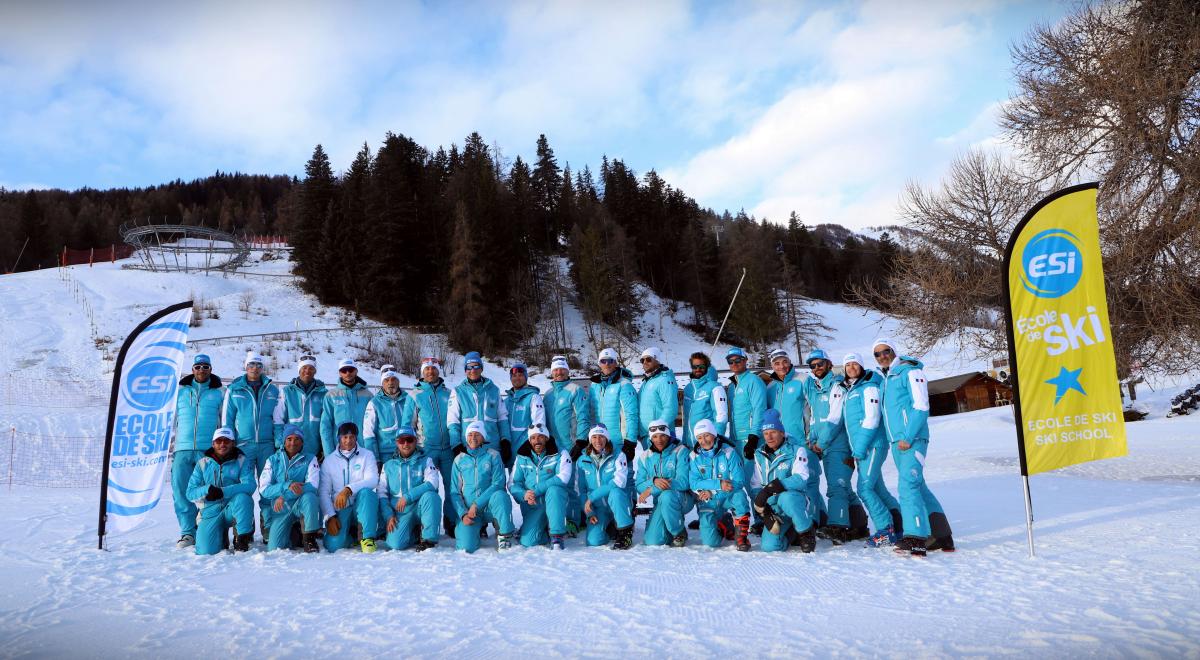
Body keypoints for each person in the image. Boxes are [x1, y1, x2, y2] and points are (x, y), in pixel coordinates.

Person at [873, 338, 955, 556]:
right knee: (918, 485)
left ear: (893, 351)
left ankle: (915, 537)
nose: (882, 356)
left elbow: (921, 407)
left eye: (886, 351)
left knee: (907, 486)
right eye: (877, 354)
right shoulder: (886, 380)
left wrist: (908, 436)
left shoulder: (909, 372)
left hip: (912, 439)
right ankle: (942, 535)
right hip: (897, 442)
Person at [823, 353, 903, 547]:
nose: (851, 367)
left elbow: (872, 419)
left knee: (864, 489)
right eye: (848, 365)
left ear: (861, 365)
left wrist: (858, 449)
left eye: (855, 364)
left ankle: (886, 529)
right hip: (864, 446)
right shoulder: (851, 389)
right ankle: (900, 526)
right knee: (878, 488)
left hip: (872, 445)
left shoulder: (868, 386)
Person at [802, 348, 868, 542]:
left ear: (829, 364)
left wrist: (821, 443)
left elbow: (835, 418)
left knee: (836, 486)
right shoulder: (814, 387)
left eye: (820, 363)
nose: (816, 367)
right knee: (845, 487)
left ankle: (838, 527)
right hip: (825, 444)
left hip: (839, 444)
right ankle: (859, 526)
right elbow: (815, 417)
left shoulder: (837, 384)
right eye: (813, 365)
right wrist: (812, 439)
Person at [221, 351, 284, 542]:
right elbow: (227, 420)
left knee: (268, 487)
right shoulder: (234, 389)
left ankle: (268, 527)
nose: (255, 368)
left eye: (258, 365)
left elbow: (278, 420)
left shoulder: (273, 390)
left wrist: (278, 443)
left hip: (267, 445)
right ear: (245, 367)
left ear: (262, 368)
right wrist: (230, 444)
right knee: (243, 488)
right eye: (251, 365)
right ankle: (244, 529)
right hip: (243, 446)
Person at [765, 348, 826, 528]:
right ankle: (810, 517)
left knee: (810, 482)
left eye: (784, 361)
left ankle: (813, 522)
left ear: (789, 361)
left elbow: (816, 409)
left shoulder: (803, 380)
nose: (781, 366)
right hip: (783, 446)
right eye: (777, 363)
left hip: (804, 441)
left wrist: (813, 437)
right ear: (772, 365)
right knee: (791, 483)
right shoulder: (771, 387)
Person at [171, 353, 225, 549]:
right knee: (181, 490)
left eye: (205, 367)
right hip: (183, 448)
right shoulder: (180, 392)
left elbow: (224, 420)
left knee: (209, 490)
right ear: (192, 369)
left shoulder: (219, 392)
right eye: (198, 367)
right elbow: (171, 419)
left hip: (208, 450)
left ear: (210, 369)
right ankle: (187, 532)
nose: (201, 370)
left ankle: (207, 528)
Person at [749, 409, 816, 553]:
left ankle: (806, 531)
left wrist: (772, 488)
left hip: (796, 502)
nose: (769, 437)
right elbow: (755, 485)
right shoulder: (759, 455)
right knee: (769, 547)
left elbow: (801, 478)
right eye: (766, 433)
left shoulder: (796, 450)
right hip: (775, 509)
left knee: (787, 498)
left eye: (773, 432)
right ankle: (792, 533)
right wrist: (765, 512)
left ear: (782, 432)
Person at [403, 357, 456, 535]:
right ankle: (423, 524)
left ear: (438, 371)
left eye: (433, 368)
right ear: (422, 372)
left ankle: (451, 521)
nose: (430, 372)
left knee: (452, 487)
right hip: (426, 450)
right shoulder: (414, 395)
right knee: (427, 487)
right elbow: (407, 425)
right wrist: (413, 449)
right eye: (427, 369)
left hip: (448, 448)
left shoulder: (449, 393)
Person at [186, 427, 257, 555]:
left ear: (233, 443)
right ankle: (220, 534)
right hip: (210, 512)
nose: (222, 444)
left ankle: (242, 537)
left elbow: (250, 485)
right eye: (218, 441)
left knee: (243, 498)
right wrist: (207, 490)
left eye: (226, 441)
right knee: (206, 551)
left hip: (232, 508)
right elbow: (190, 493)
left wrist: (223, 491)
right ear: (213, 444)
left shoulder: (242, 461)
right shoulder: (202, 463)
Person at [449, 421, 515, 552]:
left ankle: (504, 535)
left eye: (477, 434)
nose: (473, 438)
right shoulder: (459, 459)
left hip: (490, 506)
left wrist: (477, 504)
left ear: (483, 437)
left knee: (501, 496)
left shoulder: (493, 455)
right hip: (469, 511)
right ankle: (474, 531)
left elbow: (498, 484)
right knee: (466, 547)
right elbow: (455, 492)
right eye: (470, 434)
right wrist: (463, 514)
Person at [542, 355, 590, 534]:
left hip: (571, 446)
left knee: (572, 485)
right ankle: (557, 518)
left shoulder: (575, 390)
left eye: (562, 369)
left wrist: (581, 441)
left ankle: (574, 520)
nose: (559, 372)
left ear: (568, 371)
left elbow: (583, 416)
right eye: (555, 369)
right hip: (554, 448)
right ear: (552, 372)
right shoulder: (548, 394)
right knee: (556, 485)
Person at [375, 427, 441, 551]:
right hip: (401, 512)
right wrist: (388, 515)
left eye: (409, 440)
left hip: (420, 506)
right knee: (395, 544)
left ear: (415, 441)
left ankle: (428, 539)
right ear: (397, 443)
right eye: (401, 441)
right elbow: (382, 493)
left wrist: (408, 496)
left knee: (431, 496)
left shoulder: (426, 460)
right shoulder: (388, 465)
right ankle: (415, 533)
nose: (406, 444)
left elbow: (433, 483)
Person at [689, 419, 751, 551]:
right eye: (699, 437)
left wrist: (713, 491)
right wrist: (718, 484)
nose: (704, 441)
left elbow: (739, 481)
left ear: (714, 434)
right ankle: (723, 524)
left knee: (739, 496)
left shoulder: (729, 452)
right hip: (708, 501)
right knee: (711, 542)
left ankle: (741, 538)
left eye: (706, 435)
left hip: (728, 495)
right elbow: (694, 483)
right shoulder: (694, 456)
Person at [319, 422, 380, 553]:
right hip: (341, 508)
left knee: (367, 493)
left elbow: (373, 480)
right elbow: (323, 492)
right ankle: (351, 535)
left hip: (361, 506)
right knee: (333, 546)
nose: (348, 441)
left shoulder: (367, 455)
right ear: (339, 438)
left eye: (352, 437)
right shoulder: (329, 461)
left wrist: (349, 489)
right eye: (345, 437)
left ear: (356, 437)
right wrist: (330, 516)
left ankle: (367, 538)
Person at [258, 424, 321, 552]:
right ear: (284, 441)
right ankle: (295, 532)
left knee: (310, 497)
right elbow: (264, 489)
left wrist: (284, 496)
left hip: (299, 503)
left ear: (302, 442)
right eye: (289, 439)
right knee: (275, 548)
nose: (293, 443)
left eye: (297, 439)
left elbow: (312, 485)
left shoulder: (310, 459)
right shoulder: (273, 460)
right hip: (281, 508)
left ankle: (309, 538)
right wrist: (286, 485)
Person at [508, 423, 572, 549]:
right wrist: (524, 494)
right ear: (529, 440)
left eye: (540, 437)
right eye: (533, 438)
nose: (537, 441)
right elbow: (513, 483)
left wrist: (536, 490)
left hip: (553, 502)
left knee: (554, 490)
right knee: (528, 541)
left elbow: (563, 476)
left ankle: (557, 536)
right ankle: (544, 530)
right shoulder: (522, 457)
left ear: (546, 438)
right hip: (533, 506)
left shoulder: (560, 453)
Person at [575, 424, 634, 549]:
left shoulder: (618, 455)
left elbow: (619, 482)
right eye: (594, 437)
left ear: (607, 438)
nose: (598, 440)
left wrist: (592, 497)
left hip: (618, 504)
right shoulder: (582, 460)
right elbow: (581, 490)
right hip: (599, 508)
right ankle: (611, 529)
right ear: (590, 439)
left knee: (615, 492)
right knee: (593, 541)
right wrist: (589, 513)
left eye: (601, 436)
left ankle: (625, 532)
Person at [635, 419, 692, 547]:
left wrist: (652, 489)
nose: (659, 440)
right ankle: (669, 525)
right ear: (650, 438)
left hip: (682, 499)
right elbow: (639, 485)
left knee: (667, 496)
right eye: (655, 436)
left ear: (668, 435)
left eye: (662, 436)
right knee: (653, 541)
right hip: (660, 502)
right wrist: (653, 481)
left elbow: (684, 482)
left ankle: (678, 532)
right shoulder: (645, 457)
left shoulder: (680, 451)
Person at [447, 351, 511, 464]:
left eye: (476, 366)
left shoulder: (494, 390)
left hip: (492, 447)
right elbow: (453, 421)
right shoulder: (458, 392)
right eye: (469, 367)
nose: (473, 370)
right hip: (468, 448)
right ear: (465, 370)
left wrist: (505, 440)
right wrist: (456, 445)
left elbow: (502, 417)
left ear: (481, 368)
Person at [589, 348, 639, 463]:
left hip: (618, 441)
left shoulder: (624, 385)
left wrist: (630, 441)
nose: (607, 364)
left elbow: (631, 414)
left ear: (616, 363)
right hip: (598, 441)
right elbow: (591, 412)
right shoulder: (594, 385)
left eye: (610, 360)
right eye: (603, 361)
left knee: (623, 471)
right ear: (599, 364)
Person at [319, 359, 372, 459]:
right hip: (339, 450)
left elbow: (373, 426)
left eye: (350, 369)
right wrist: (329, 453)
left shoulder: (368, 395)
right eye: (344, 370)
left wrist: (371, 451)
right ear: (340, 373)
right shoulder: (331, 395)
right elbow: (325, 426)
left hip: (362, 450)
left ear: (356, 371)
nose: (347, 373)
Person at [278, 354, 327, 459]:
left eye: (311, 368)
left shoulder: (323, 393)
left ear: (315, 371)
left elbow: (326, 423)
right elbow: (278, 421)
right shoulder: (287, 392)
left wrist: (324, 448)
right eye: (304, 368)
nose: (307, 371)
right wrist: (280, 445)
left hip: (314, 450)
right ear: (299, 370)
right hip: (291, 449)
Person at [681, 352, 728, 449]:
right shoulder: (688, 389)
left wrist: (717, 440)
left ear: (707, 367)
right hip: (690, 445)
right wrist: (685, 440)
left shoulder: (715, 387)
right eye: (695, 366)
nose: (698, 369)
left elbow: (721, 416)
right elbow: (687, 420)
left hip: (708, 444)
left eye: (701, 366)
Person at [363, 368, 409, 467]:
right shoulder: (374, 403)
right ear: (382, 383)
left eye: (393, 379)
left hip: (407, 452)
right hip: (385, 456)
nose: (390, 383)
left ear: (398, 382)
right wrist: (375, 459)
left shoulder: (408, 399)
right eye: (386, 380)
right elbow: (368, 433)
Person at [637, 347, 678, 449]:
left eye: (648, 359)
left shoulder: (664, 380)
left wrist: (658, 431)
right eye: (642, 360)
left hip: (661, 437)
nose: (645, 362)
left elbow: (670, 409)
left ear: (657, 360)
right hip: (647, 436)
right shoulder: (647, 382)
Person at [503, 362, 546, 458]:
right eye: (514, 376)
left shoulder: (533, 397)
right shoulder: (506, 401)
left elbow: (539, 423)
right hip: (508, 451)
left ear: (526, 377)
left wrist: (531, 445)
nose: (517, 378)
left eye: (520, 375)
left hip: (526, 451)